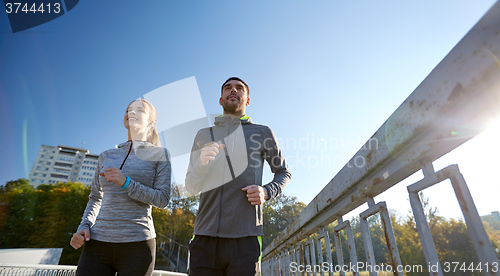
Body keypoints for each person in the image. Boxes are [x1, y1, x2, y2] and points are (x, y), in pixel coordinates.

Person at [185, 77, 291, 276]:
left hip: (246, 239)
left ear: (247, 100)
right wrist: (201, 164)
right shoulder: (203, 135)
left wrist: (267, 191)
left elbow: (283, 172)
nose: (233, 90)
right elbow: (190, 186)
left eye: (239, 88)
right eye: (228, 88)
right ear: (221, 99)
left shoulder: (263, 132)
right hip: (204, 239)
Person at [70, 99, 171, 276]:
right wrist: (84, 225)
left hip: (138, 245)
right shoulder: (106, 155)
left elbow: (162, 199)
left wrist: (126, 183)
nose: (131, 112)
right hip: (97, 243)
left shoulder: (160, 154)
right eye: (128, 110)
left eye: (139, 110)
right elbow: (95, 198)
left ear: (151, 122)